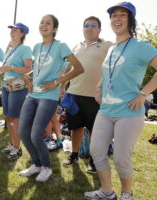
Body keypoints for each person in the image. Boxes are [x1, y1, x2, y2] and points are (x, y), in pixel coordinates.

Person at [84, 2, 157, 200]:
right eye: (114, 15)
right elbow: (108, 72)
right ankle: (107, 192)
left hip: (129, 112)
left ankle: (127, 194)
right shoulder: (112, 48)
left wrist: (143, 93)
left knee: (121, 159)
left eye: (122, 15)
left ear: (130, 20)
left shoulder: (141, 45)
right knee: (97, 152)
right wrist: (99, 86)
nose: (117, 19)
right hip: (106, 110)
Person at [18, 14, 84, 182]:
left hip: (49, 96)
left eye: (48, 23)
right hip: (32, 94)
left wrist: (59, 81)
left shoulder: (61, 46)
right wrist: (28, 77)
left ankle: (46, 167)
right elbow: (38, 70)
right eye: (42, 22)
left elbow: (78, 68)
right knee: (23, 132)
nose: (44, 25)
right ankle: (37, 164)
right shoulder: (37, 46)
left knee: (35, 134)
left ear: (55, 29)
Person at [61, 16, 113, 175]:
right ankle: (74, 155)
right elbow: (68, 69)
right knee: (75, 128)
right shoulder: (76, 46)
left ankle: (93, 160)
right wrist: (62, 86)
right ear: (83, 28)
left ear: (100, 29)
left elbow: (114, 68)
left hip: (96, 96)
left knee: (94, 131)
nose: (89, 28)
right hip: (74, 94)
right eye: (86, 25)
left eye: (93, 25)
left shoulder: (108, 45)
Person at [0, 23, 32, 160]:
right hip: (6, 86)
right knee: (8, 118)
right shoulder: (9, 49)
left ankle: (17, 148)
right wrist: (1, 71)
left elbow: (28, 68)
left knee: (15, 119)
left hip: (18, 88)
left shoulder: (25, 48)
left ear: (22, 34)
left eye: (16, 30)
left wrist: (11, 67)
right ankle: (12, 144)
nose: (12, 31)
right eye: (12, 29)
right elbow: (5, 68)